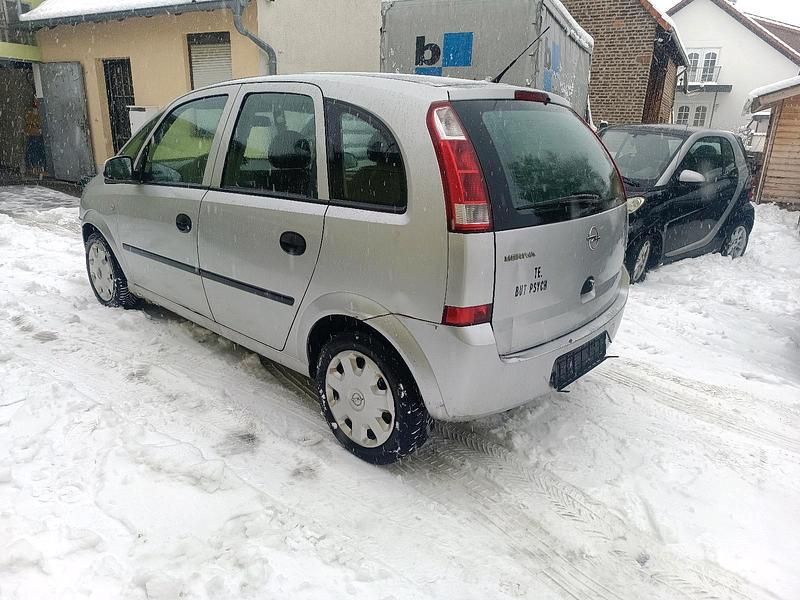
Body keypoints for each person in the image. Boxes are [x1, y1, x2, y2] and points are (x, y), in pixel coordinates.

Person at [25, 98, 46, 176]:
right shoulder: (30, 115)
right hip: (34, 137)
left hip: (39, 137)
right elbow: (27, 128)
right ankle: (35, 167)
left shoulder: (40, 114)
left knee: (38, 149)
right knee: (34, 147)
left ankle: (38, 167)